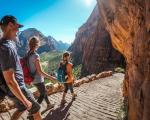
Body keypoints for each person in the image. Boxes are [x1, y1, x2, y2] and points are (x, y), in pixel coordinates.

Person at [0, 15, 41, 120]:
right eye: (17, 27)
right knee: (35, 109)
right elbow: (10, 81)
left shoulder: (6, 44)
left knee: (21, 108)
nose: (18, 30)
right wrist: (24, 99)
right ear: (10, 25)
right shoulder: (6, 47)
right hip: (18, 87)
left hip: (12, 88)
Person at [28, 36, 57, 109]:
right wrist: (51, 77)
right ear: (37, 44)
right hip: (38, 79)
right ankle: (33, 111)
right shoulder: (35, 55)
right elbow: (40, 71)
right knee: (42, 94)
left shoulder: (28, 54)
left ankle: (49, 104)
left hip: (32, 78)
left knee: (43, 92)